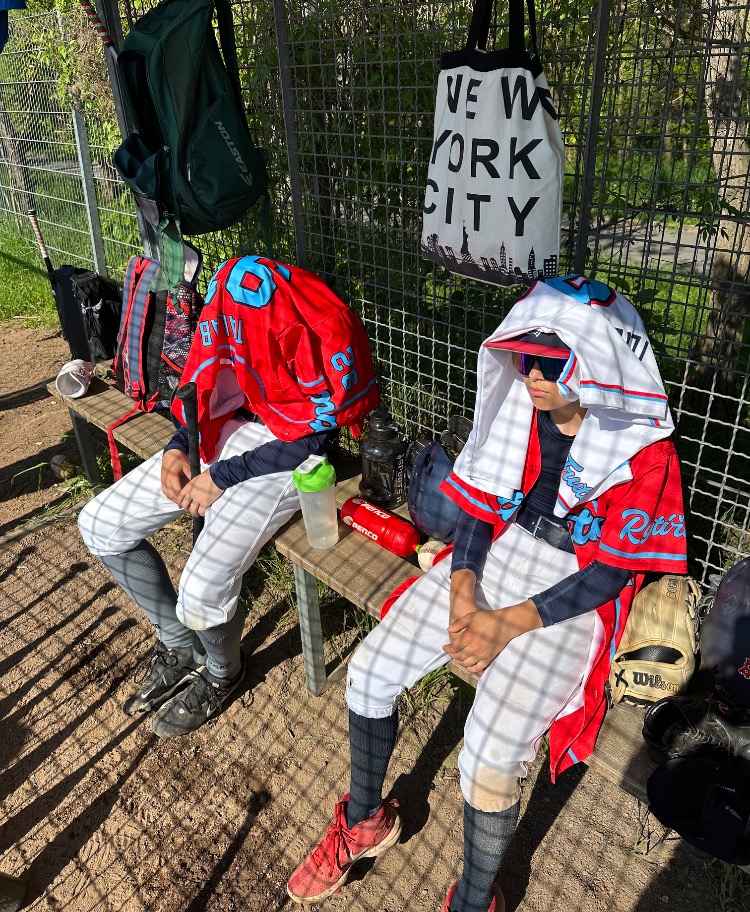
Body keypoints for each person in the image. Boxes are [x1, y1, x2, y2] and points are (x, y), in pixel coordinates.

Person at [286, 274, 689, 911]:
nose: (532, 374)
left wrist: (504, 624)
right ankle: (365, 820)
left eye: (551, 361)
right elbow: (480, 506)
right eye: (525, 357)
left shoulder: (642, 443)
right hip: (499, 555)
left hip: (574, 587)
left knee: (489, 755)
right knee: (369, 671)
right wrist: (462, 590)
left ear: (597, 363)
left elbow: (611, 573)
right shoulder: (519, 411)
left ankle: (477, 898)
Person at [78, 255, 378, 739]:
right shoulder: (231, 303)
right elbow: (206, 382)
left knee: (200, 592)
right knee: (99, 524)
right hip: (228, 429)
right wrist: (179, 445)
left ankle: (223, 672)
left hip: (285, 454)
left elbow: (315, 437)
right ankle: (179, 645)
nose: (233, 329)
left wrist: (222, 477)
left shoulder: (310, 322)